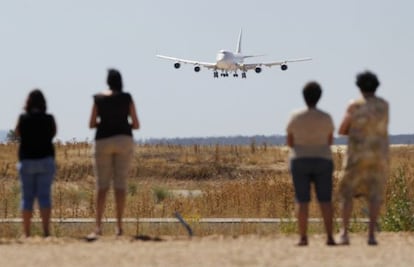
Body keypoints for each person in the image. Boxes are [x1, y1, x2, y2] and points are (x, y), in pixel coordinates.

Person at [338, 71, 389, 246]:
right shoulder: (384, 105)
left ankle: (344, 233)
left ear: (359, 87)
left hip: (357, 155)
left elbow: (343, 129)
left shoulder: (354, 106)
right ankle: (371, 235)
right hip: (377, 156)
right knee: (374, 195)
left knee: (347, 193)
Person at [88, 69, 140, 239]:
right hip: (124, 139)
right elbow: (136, 123)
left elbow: (91, 123)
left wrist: (105, 123)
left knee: (102, 186)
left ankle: (98, 227)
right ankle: (118, 227)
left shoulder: (98, 98)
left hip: (103, 139)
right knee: (120, 185)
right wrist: (123, 125)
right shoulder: (127, 97)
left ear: (107, 81)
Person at [286, 81, 335, 246]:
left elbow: (290, 141)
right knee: (325, 200)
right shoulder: (326, 117)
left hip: (300, 158)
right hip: (323, 158)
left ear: (304, 97)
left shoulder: (295, 116)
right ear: (320, 96)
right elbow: (330, 140)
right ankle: (329, 237)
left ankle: (303, 238)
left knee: (301, 200)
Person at [15, 89, 57, 237]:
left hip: (27, 160)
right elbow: (53, 133)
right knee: (44, 197)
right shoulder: (49, 118)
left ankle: (26, 233)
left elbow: (17, 133)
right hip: (45, 159)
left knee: (27, 198)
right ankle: (46, 231)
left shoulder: (23, 118)